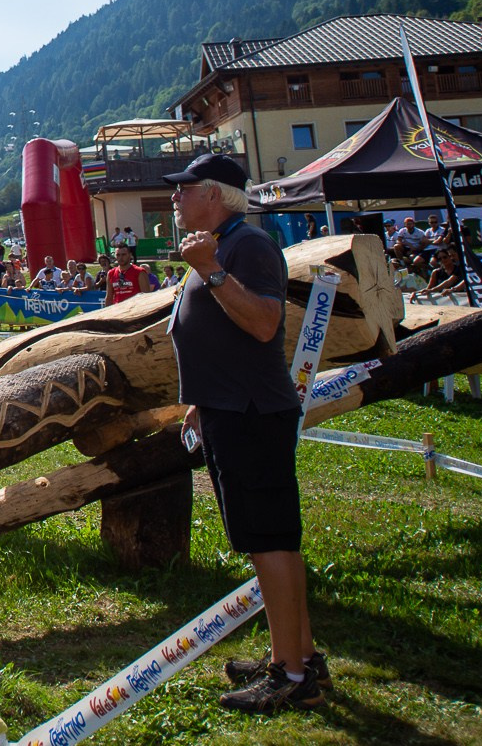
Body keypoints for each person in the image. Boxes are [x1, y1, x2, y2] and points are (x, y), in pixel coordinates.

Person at [166, 152, 325, 714]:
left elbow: (262, 323)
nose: (177, 198)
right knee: (267, 540)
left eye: (185, 190)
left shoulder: (246, 246)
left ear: (215, 194)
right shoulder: (218, 245)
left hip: (253, 413)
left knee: (271, 542)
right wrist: (201, 403)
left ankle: (291, 672)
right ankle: (300, 653)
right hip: (229, 407)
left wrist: (210, 270)